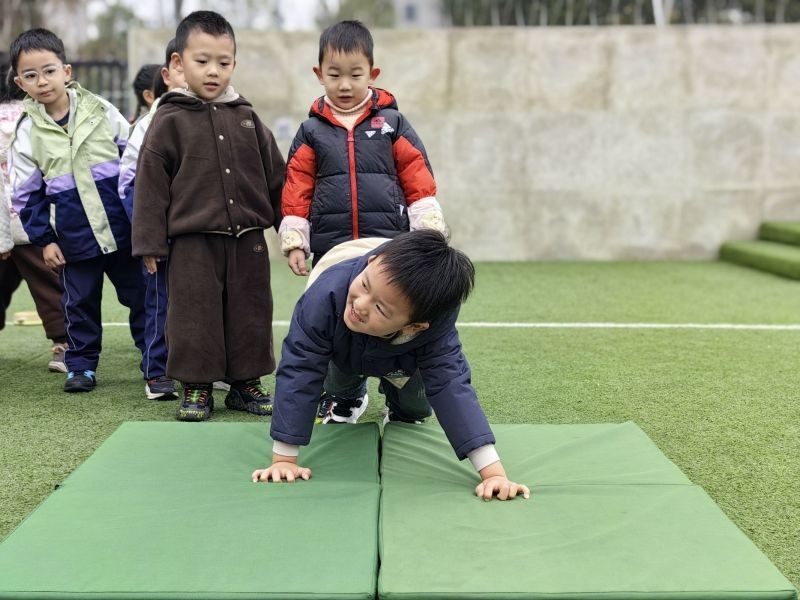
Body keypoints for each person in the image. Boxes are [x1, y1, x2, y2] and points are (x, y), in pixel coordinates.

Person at [252, 230, 530, 502]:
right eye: (364, 286)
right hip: (343, 347)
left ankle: (402, 409)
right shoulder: (325, 296)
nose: (361, 304)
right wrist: (284, 459)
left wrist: (493, 474)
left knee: (414, 407)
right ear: (371, 262)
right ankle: (348, 396)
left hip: (402, 357)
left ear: (415, 326)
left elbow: (451, 386)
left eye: (380, 309)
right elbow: (300, 369)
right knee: (338, 377)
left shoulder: (434, 330)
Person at [132, 11, 285, 421]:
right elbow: (150, 184)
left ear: (234, 63)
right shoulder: (168, 120)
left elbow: (277, 178)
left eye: (224, 61)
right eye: (202, 61)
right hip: (193, 242)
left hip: (249, 240)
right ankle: (197, 386)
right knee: (193, 315)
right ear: (178, 63)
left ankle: (246, 384)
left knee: (251, 312)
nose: (213, 71)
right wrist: (149, 241)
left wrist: (290, 228)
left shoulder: (247, 118)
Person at [9, 28, 147, 393]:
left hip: (122, 230)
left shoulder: (100, 110)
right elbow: (25, 194)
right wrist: (45, 240)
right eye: (31, 75)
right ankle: (82, 366)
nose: (42, 81)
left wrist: (140, 219)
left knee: (142, 297)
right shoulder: (26, 132)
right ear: (20, 83)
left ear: (66, 71)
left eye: (49, 71)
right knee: (79, 304)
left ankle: (156, 363)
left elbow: (133, 160)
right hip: (73, 239)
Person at [279, 19, 446, 277]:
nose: (345, 85)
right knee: (332, 299)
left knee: (382, 299)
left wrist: (427, 229)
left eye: (355, 75)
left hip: (387, 243)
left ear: (372, 74)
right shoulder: (310, 131)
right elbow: (297, 187)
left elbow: (417, 176)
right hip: (331, 247)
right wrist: (296, 241)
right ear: (319, 74)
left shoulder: (392, 123)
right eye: (334, 75)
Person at [118, 39, 185, 401]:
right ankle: (157, 370)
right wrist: (149, 236)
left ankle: (208, 369)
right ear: (168, 73)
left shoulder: (218, 119)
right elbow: (128, 184)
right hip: (161, 238)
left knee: (207, 303)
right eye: (184, 65)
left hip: (202, 234)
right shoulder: (149, 124)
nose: (198, 73)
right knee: (159, 303)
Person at [0, 54, 68, 372]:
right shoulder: (33, 115)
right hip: (31, 219)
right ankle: (65, 345)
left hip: (5, 220)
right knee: (50, 286)